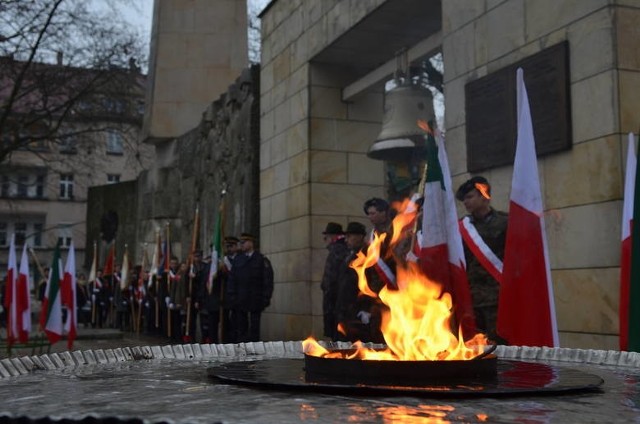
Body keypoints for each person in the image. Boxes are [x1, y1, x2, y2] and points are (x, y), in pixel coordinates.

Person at [456, 176, 508, 342]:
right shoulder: (462, 227)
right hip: (471, 299)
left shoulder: (505, 222)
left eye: (470, 197)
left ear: (483, 195)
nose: (466, 202)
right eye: (464, 199)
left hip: (498, 298)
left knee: (500, 347)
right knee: (474, 346)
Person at [334, 222, 377, 342]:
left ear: (360, 236)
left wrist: (366, 309)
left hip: (359, 312)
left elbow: (371, 283)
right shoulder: (349, 255)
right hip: (346, 310)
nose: (346, 240)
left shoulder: (367, 256)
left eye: (349, 236)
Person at [227, 233, 274, 342]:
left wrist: (266, 298)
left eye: (244, 243)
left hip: (255, 300)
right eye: (240, 243)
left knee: (254, 328)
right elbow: (232, 280)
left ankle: (254, 352)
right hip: (241, 300)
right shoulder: (239, 260)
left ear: (251, 243)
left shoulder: (261, 259)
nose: (241, 245)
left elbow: (267, 280)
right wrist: (232, 297)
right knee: (241, 328)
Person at [320, 222, 348, 341]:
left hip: (335, 302)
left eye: (326, 237)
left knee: (336, 336)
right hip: (336, 301)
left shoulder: (337, 251)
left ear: (332, 237)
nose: (324, 240)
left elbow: (332, 279)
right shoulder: (340, 250)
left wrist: (325, 287)